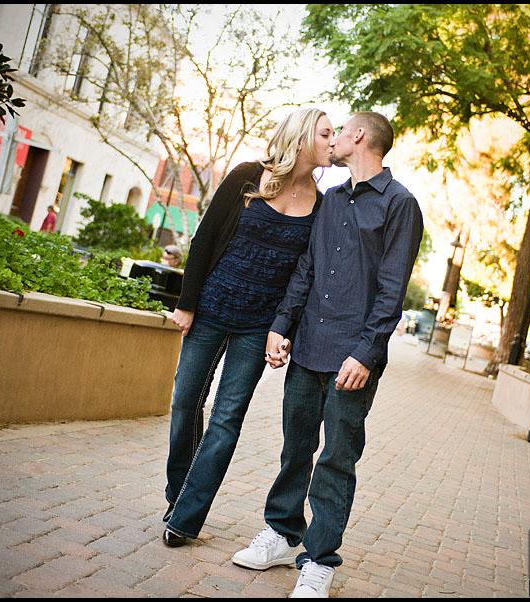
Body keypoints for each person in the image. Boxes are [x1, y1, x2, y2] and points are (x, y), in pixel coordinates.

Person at [231, 112, 423, 598]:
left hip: (352, 362)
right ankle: (280, 534)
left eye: (339, 132)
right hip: (308, 349)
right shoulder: (331, 199)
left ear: (359, 136)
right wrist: (281, 326)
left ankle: (318, 561)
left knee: (336, 459)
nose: (332, 140)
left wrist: (366, 352)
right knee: (295, 449)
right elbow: (307, 270)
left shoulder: (400, 205)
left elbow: (391, 289)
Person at [161, 108, 336, 548]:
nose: (334, 141)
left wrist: (285, 330)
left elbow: (307, 276)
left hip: (258, 326)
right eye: (326, 133)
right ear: (301, 138)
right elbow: (204, 238)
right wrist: (186, 304)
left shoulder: (323, 205)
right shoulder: (246, 176)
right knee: (184, 402)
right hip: (211, 309)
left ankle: (185, 517)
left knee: (227, 419)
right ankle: (177, 492)